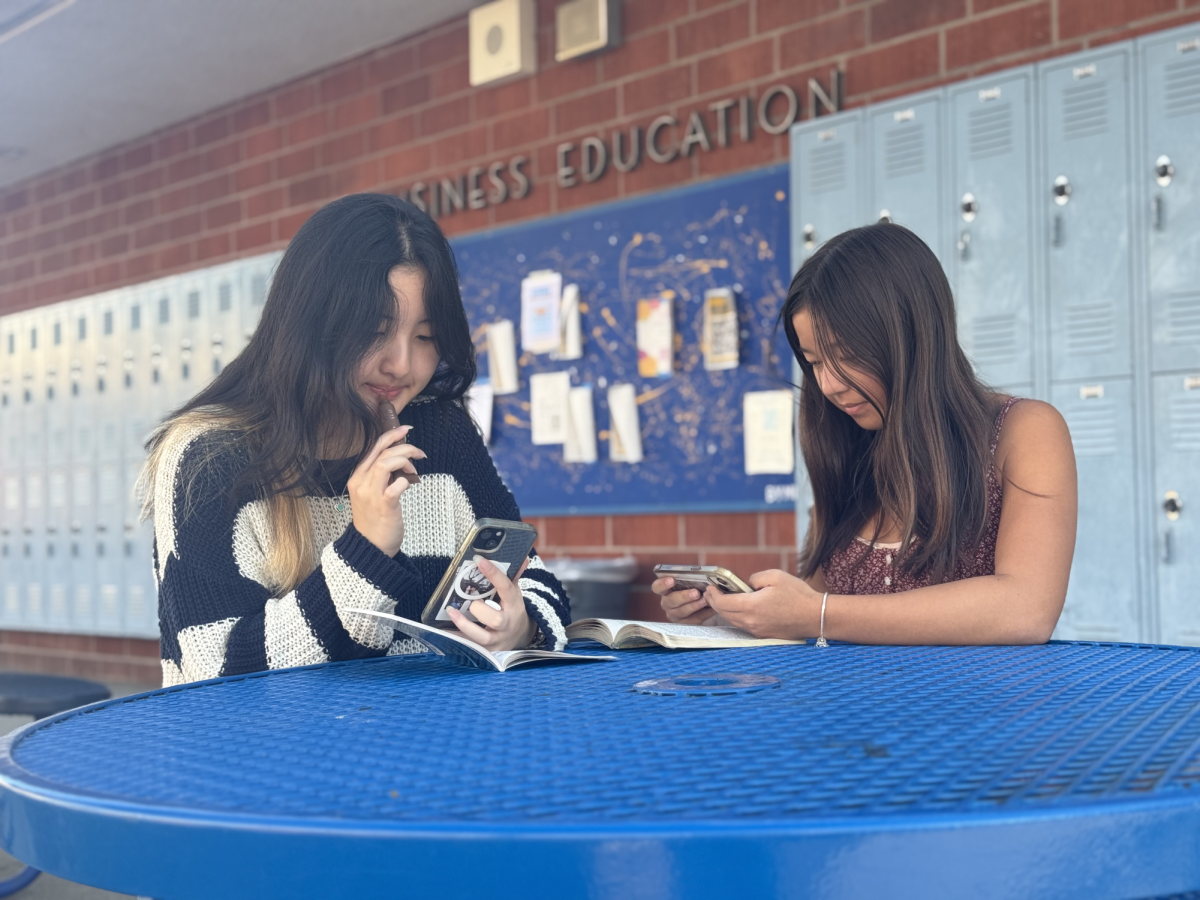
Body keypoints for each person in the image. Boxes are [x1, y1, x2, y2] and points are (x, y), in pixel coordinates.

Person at [140, 194, 570, 687]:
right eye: (376, 331)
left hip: (437, 745)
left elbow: (533, 578)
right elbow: (211, 670)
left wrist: (521, 625)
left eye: (426, 337)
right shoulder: (209, 456)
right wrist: (364, 549)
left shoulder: (441, 433)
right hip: (268, 757)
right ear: (311, 326)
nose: (402, 365)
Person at [654, 223, 1077, 645]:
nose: (829, 385)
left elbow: (1025, 609)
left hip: (976, 709)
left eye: (847, 355)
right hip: (851, 710)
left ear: (911, 337)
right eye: (814, 362)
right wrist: (728, 617)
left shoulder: (1024, 431)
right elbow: (810, 620)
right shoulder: (841, 443)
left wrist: (815, 613)